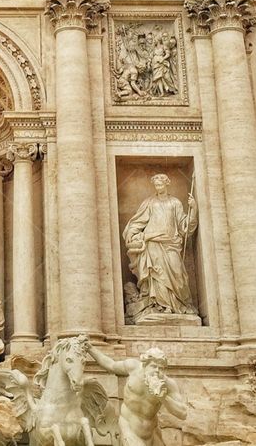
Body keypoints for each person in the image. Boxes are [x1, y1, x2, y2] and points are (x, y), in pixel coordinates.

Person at [122, 173, 197, 316]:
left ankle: (177, 305)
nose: (158, 187)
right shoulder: (150, 202)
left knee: (178, 275)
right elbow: (138, 221)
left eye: (161, 184)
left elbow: (184, 227)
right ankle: (159, 306)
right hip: (153, 243)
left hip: (171, 244)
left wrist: (193, 209)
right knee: (157, 276)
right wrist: (132, 233)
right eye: (156, 185)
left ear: (166, 184)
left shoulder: (175, 203)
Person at [88, 345, 187, 446]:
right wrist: (90, 349)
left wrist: (163, 398)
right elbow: (111, 365)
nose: (157, 370)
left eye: (161, 368)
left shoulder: (168, 384)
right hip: (129, 428)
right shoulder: (133, 368)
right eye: (153, 366)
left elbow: (183, 413)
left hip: (152, 433)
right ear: (145, 365)